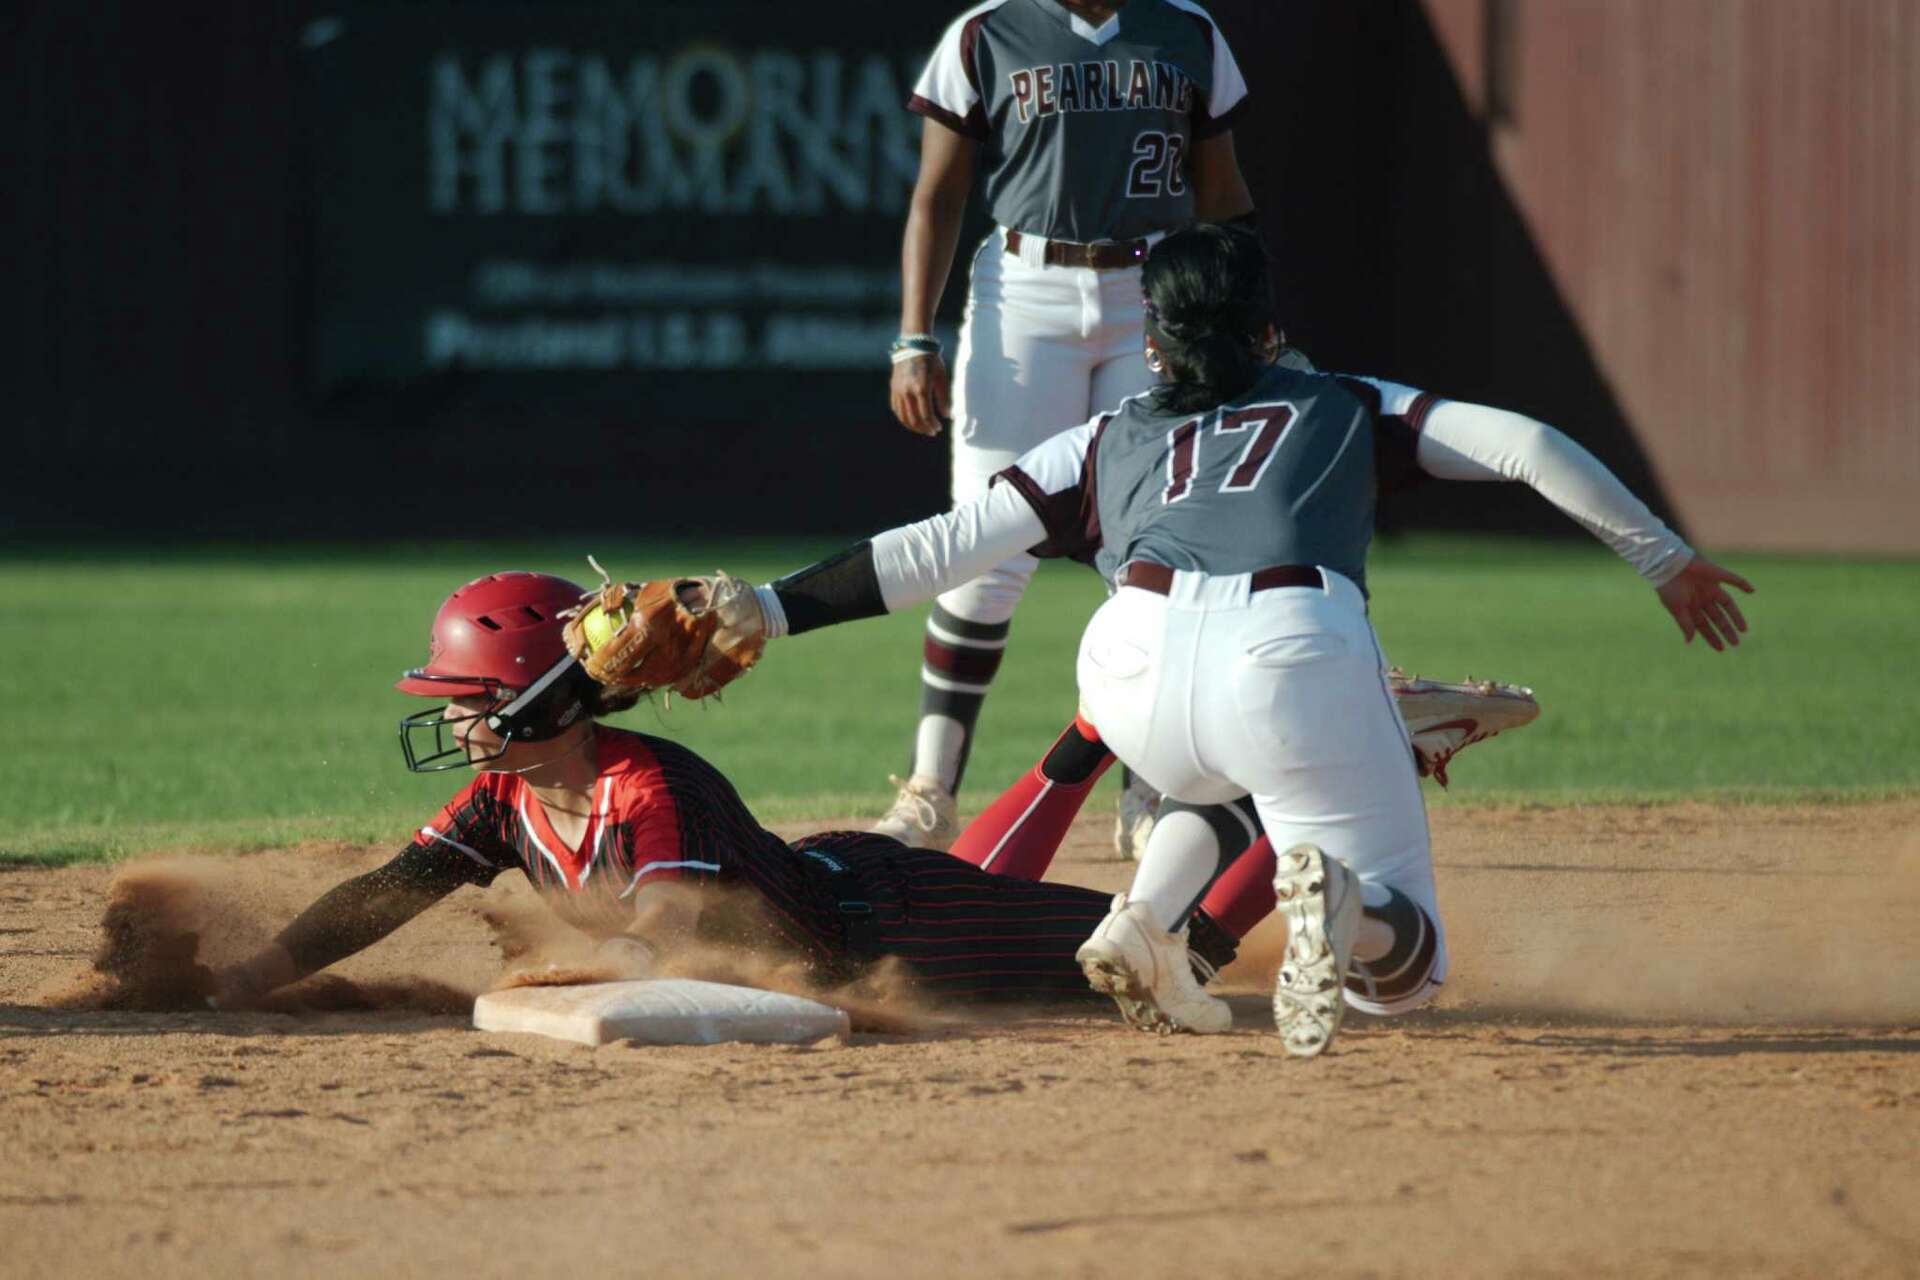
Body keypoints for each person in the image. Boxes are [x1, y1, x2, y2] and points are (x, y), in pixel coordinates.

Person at [685, 222, 1754, 1055]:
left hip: (1129, 665)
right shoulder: (1343, 401)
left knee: (1216, 775)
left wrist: (772, 607)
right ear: (1270, 329)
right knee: (1405, 976)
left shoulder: (1105, 433)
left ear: (1150, 339)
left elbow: (945, 546)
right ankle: (1338, 895)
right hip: (1290, 652)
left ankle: (1147, 922)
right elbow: (1523, 444)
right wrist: (1665, 559)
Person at [208, 570, 1248, 1012]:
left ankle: (1297, 784)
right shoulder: (500, 797)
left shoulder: (649, 782)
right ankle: (1090, 736)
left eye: (475, 696)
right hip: (854, 883)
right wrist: (259, 969)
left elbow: (669, 914)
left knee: (1166, 955)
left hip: (894, 932)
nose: (458, 718)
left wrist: (599, 965)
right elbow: (387, 890)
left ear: (543, 701)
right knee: (1000, 886)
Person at [878, 0, 1258, 856]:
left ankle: (1151, 791)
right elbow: (937, 195)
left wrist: (1238, 314)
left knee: (1157, 556)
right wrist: (913, 336)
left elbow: (1224, 196)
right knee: (985, 551)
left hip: (1154, 296)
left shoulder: (1187, 30)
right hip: (1026, 292)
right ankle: (931, 787)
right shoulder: (989, 31)